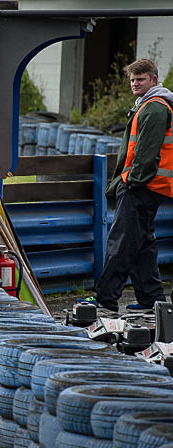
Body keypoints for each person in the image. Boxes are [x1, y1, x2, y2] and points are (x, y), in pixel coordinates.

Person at [79, 58, 173, 312]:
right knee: (142, 244)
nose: (134, 83)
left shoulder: (154, 107)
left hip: (141, 186)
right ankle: (152, 301)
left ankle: (105, 298)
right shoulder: (148, 105)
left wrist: (132, 181)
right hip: (148, 186)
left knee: (121, 242)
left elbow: (146, 153)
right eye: (132, 79)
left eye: (140, 79)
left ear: (153, 80)